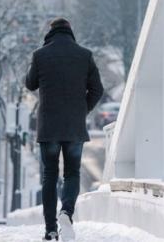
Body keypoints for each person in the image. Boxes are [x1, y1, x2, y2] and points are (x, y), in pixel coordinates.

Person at [26, 18, 104, 241]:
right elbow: (97, 89)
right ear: (70, 32)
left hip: (49, 127)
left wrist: (32, 67)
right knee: (72, 173)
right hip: (73, 127)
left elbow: (30, 84)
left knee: (50, 176)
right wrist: (82, 110)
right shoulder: (84, 55)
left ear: (50, 33)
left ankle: (50, 229)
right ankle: (66, 212)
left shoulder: (40, 55)